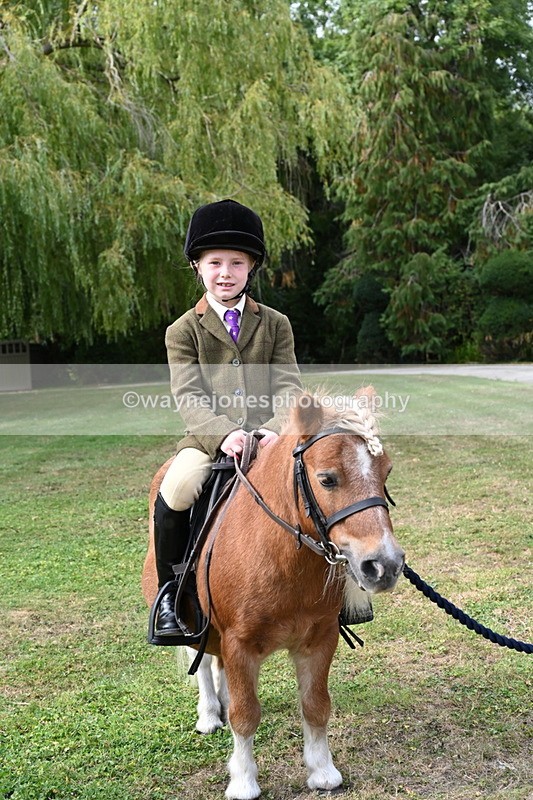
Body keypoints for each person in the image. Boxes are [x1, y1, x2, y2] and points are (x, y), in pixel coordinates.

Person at [152, 199, 302, 637]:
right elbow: (188, 397)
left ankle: (343, 594)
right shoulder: (182, 331)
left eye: (236, 262)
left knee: (324, 483)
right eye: (215, 262)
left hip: (271, 438)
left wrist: (272, 431)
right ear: (197, 266)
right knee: (175, 490)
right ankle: (169, 594)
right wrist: (226, 435)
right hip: (209, 442)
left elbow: (290, 387)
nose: (225, 272)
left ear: (250, 267)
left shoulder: (275, 324)